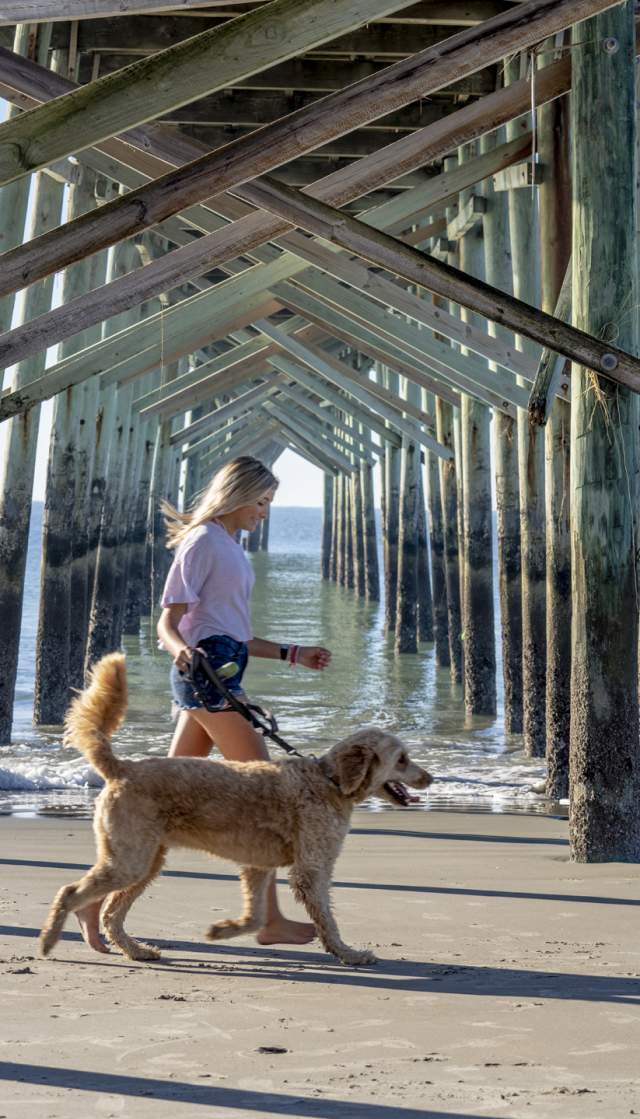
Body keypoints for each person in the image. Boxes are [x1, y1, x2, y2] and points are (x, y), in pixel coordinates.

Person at [75, 456, 331, 953]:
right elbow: (168, 623)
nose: (264, 512)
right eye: (260, 502)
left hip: (222, 676)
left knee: (156, 802)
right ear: (236, 496)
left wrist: (292, 654)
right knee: (267, 797)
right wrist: (180, 651)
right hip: (205, 683)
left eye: (269, 503)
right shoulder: (201, 542)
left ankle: (92, 899)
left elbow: (231, 632)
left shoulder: (228, 546)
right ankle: (269, 919)